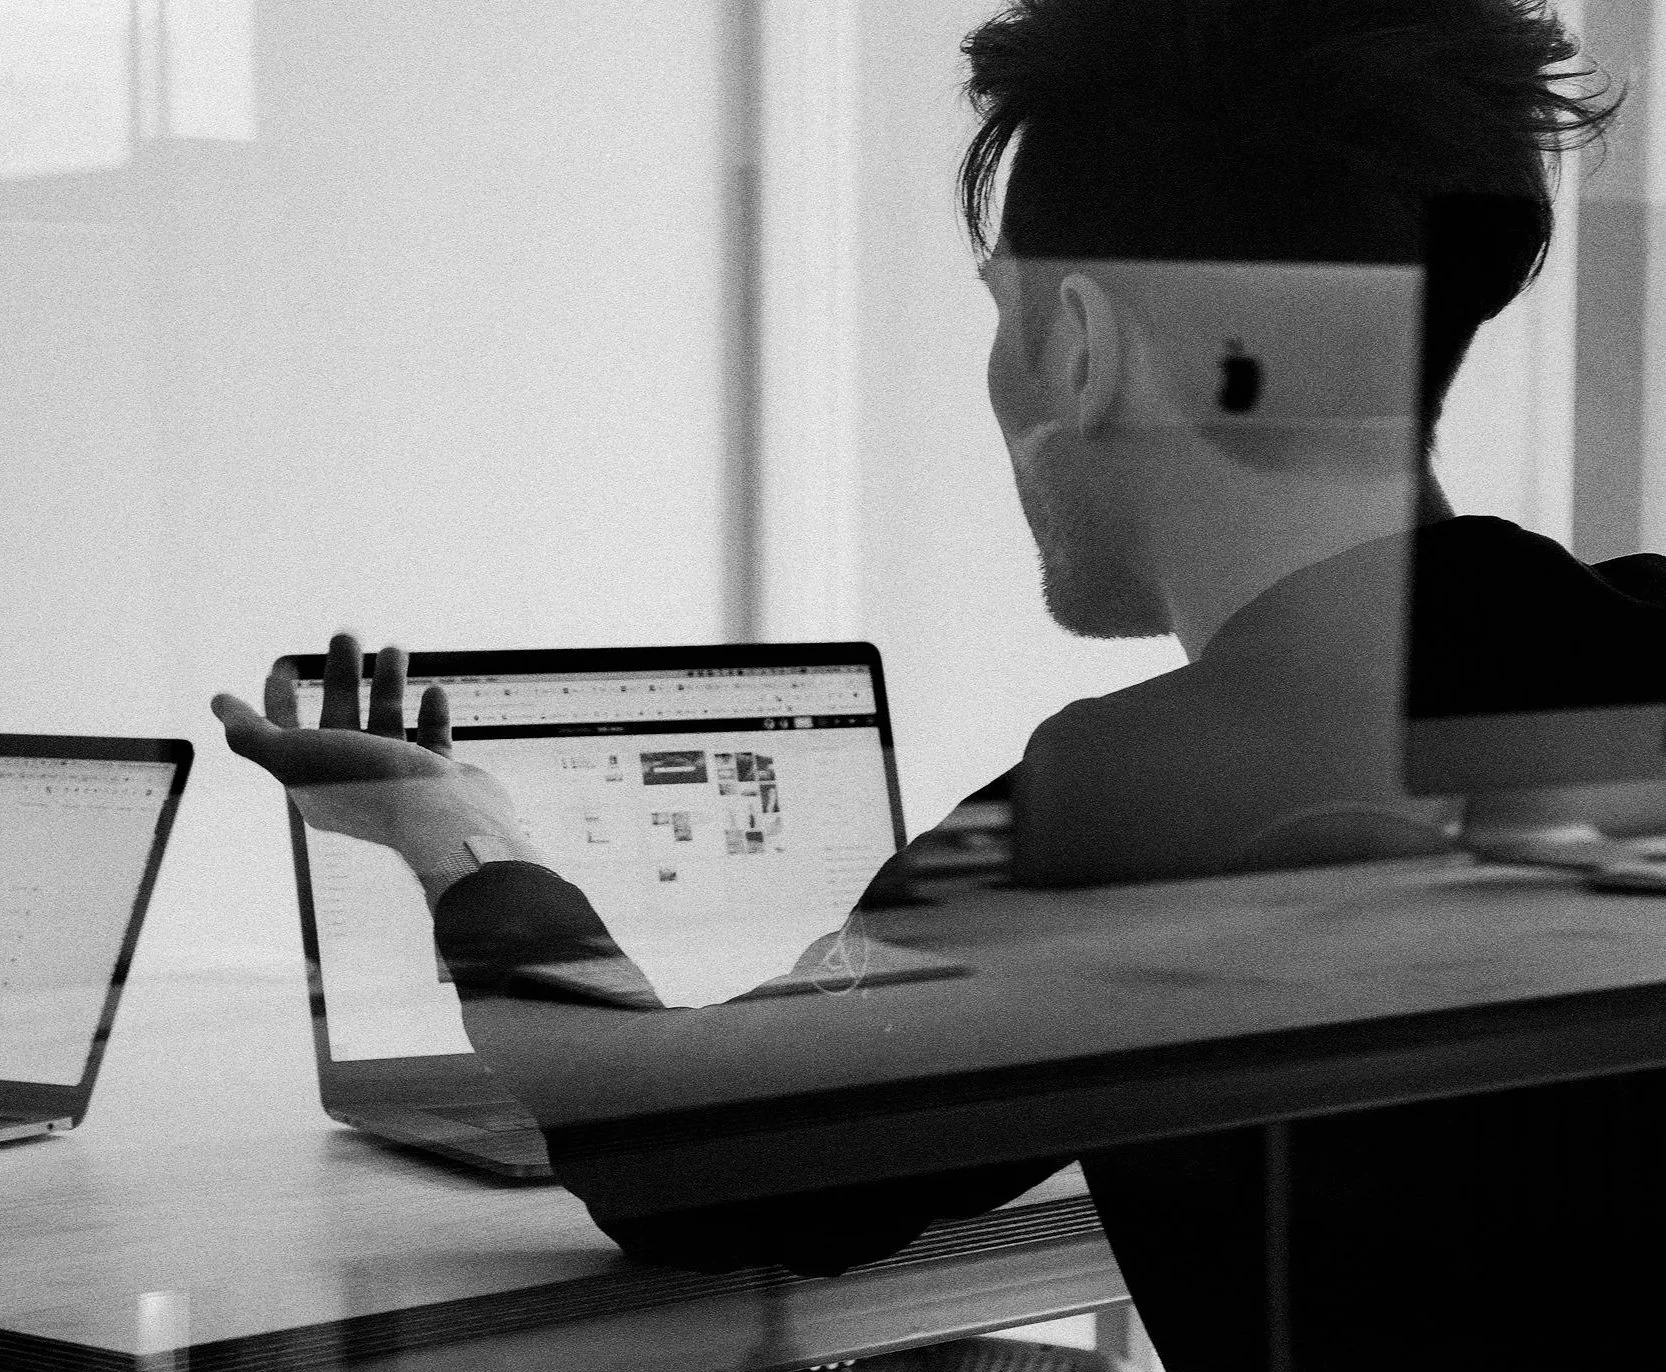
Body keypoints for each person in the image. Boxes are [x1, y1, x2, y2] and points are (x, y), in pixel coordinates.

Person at [213, 0, 1626, 1277]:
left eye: (1004, 312)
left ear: (1082, 345)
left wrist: (456, 834)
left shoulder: (1150, 806)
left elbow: (691, 1156)